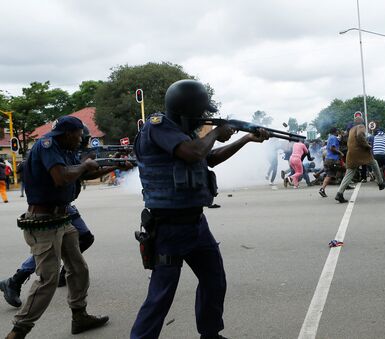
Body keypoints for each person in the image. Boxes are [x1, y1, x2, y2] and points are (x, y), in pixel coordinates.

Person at [130, 79, 269, 339]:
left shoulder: (185, 133)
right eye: (200, 112)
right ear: (186, 109)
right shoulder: (158, 127)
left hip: (195, 223)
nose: (204, 117)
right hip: (168, 226)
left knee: (214, 279)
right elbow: (193, 153)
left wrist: (247, 139)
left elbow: (210, 158)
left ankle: (210, 334)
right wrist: (217, 132)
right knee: (161, 295)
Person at [4, 116, 129, 339]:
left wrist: (114, 165)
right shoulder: (48, 145)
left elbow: (84, 173)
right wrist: (85, 165)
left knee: (78, 268)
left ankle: (79, 316)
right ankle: (18, 331)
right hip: (44, 222)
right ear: (68, 133)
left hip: (62, 219)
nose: (81, 139)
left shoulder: (66, 148)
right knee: (48, 280)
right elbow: (61, 178)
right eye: (79, 135)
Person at [334, 117, 385, 203]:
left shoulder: (351, 129)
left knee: (349, 173)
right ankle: (381, 183)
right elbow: (360, 135)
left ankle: (339, 193)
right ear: (362, 122)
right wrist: (367, 145)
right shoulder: (361, 126)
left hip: (351, 153)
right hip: (360, 152)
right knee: (374, 163)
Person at [318, 128, 343, 198]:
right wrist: (340, 152)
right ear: (335, 131)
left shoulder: (330, 138)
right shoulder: (333, 138)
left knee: (329, 175)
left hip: (328, 159)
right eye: (337, 130)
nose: (338, 131)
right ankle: (343, 186)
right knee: (344, 169)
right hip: (333, 159)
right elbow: (332, 148)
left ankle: (322, 189)